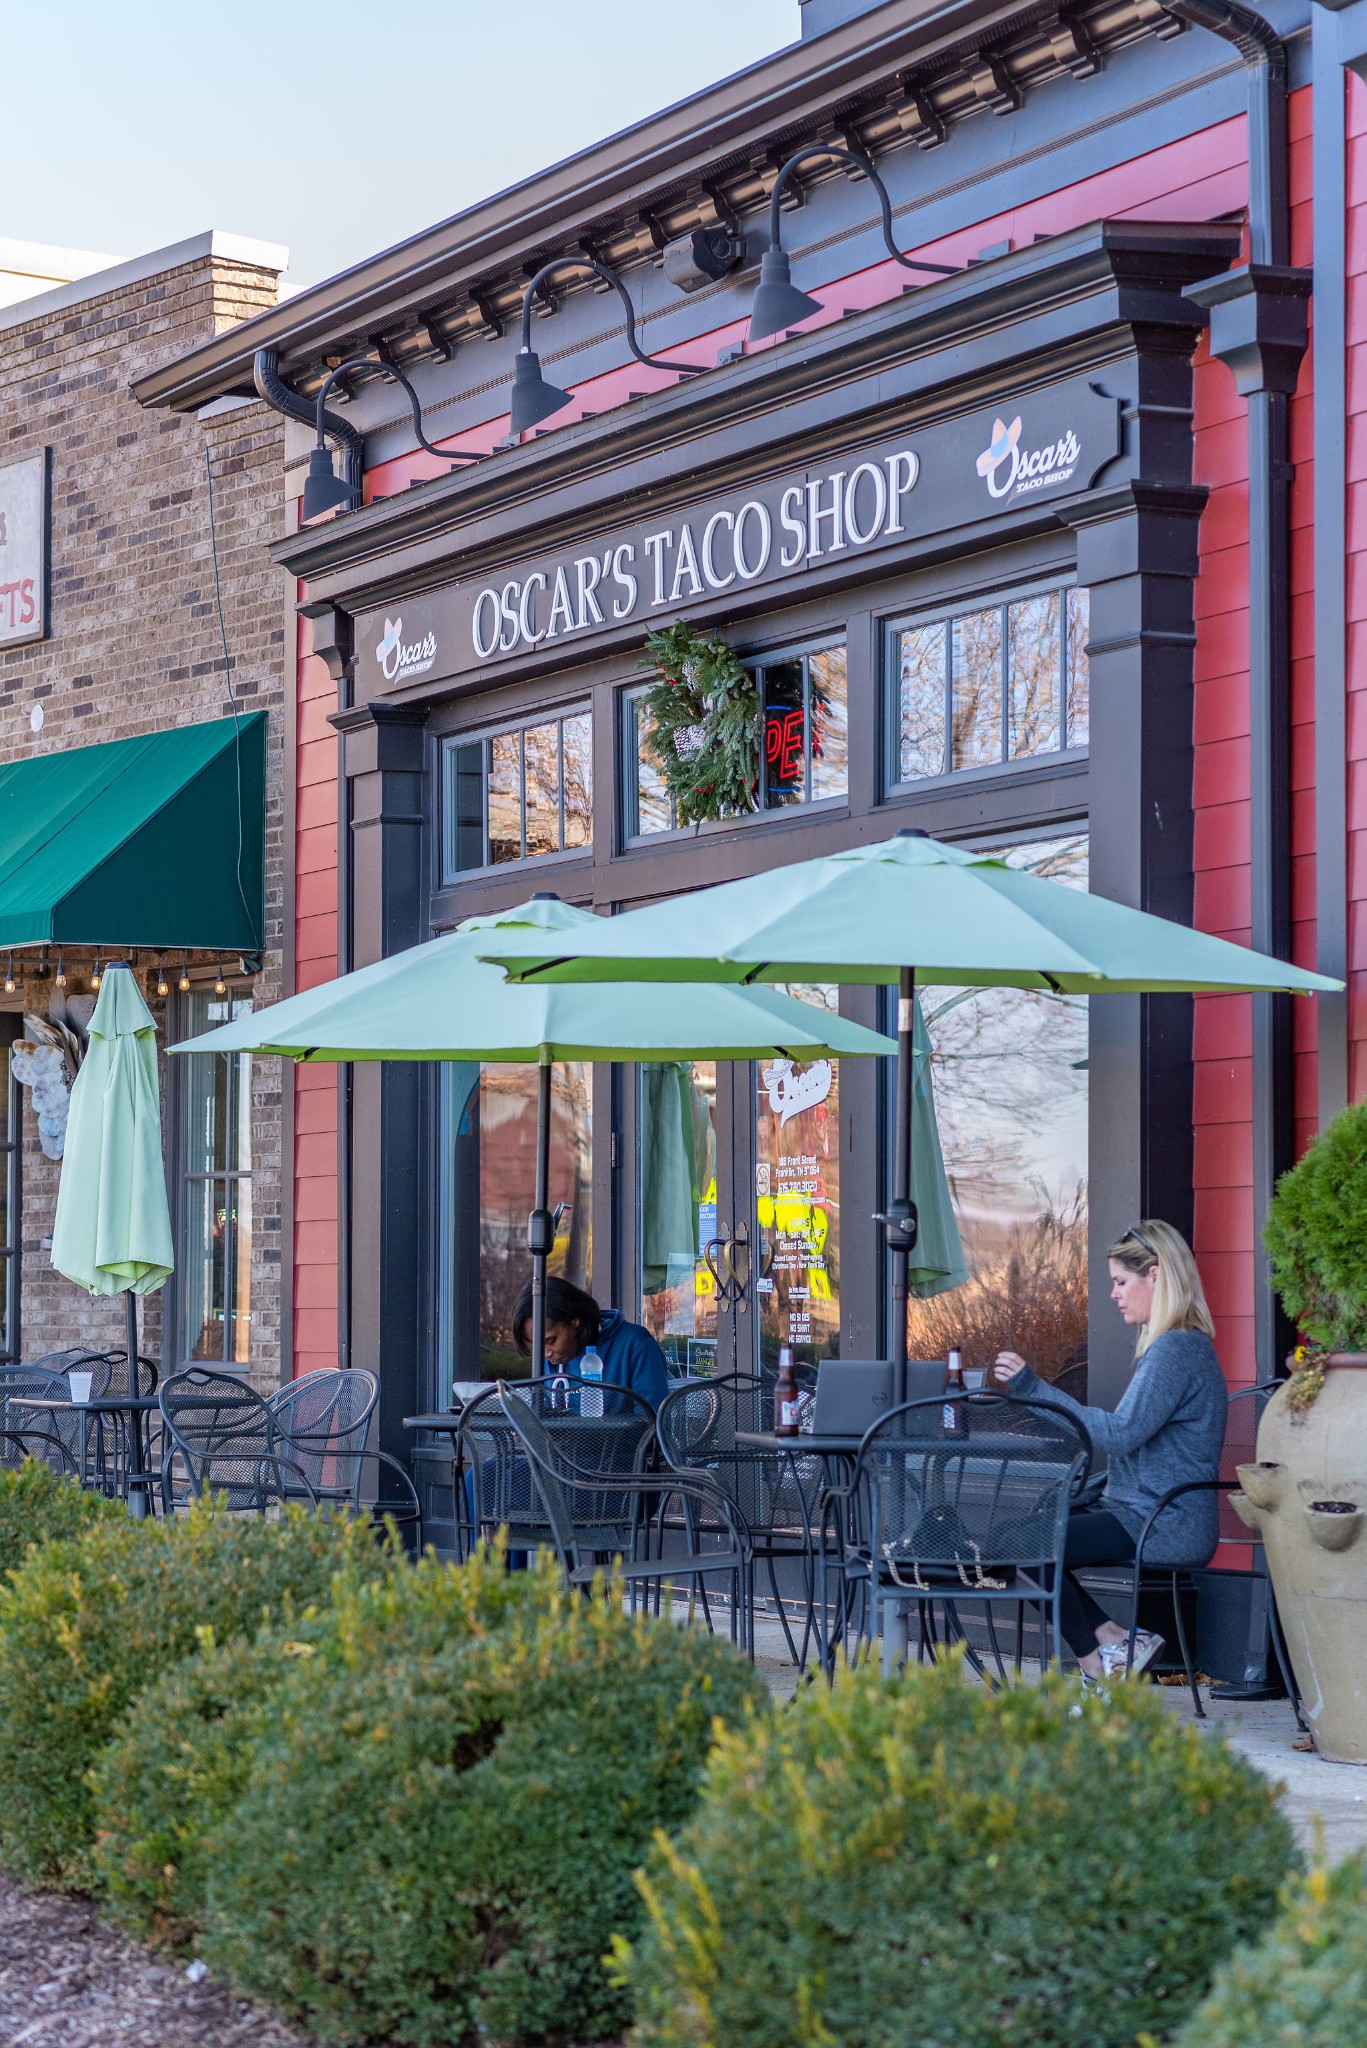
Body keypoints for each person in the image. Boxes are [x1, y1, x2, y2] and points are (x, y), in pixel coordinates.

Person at [994, 1220, 1226, 1688]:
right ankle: (1114, 1642)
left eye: (1121, 1282)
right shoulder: (1174, 1347)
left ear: (1156, 1276)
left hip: (1162, 1520)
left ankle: (1100, 1659)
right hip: (1141, 1510)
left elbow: (1119, 1435)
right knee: (1015, 1541)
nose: (1114, 1294)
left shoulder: (1177, 1349)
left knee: (1019, 1545)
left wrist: (1034, 1390)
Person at [512, 1275, 670, 1412]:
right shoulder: (550, 1358)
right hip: (558, 1447)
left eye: (551, 1341)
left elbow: (652, 1422)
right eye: (536, 1346)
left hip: (625, 1447)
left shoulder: (636, 1344)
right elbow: (545, 1411)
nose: (546, 1353)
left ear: (574, 1321)